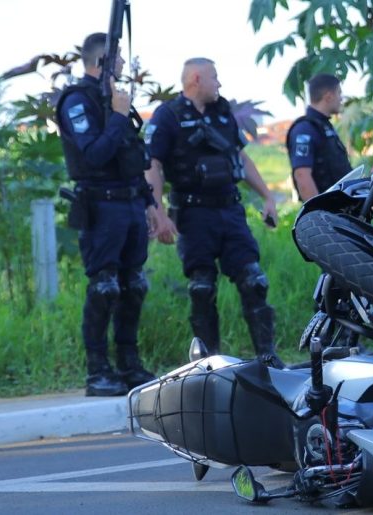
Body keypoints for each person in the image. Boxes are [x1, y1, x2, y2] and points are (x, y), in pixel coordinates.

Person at [144, 57, 285, 368]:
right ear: (196, 78)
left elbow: (240, 157)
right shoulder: (168, 116)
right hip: (193, 214)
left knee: (254, 280)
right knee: (202, 287)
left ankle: (267, 357)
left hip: (230, 210)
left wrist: (267, 197)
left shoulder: (223, 113)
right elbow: (153, 164)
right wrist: (158, 212)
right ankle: (209, 364)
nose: (219, 84)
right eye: (215, 78)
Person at [56, 32, 157, 396]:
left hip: (129, 202)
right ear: (101, 64)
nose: (123, 68)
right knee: (104, 287)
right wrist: (116, 115)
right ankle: (98, 370)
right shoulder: (78, 101)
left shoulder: (115, 101)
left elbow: (131, 157)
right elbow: (94, 154)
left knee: (134, 285)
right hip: (100, 205)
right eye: (118, 62)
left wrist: (150, 204)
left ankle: (129, 365)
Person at [285, 74, 352, 201]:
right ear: (328, 96)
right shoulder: (305, 129)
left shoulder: (324, 126)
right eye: (339, 93)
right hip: (328, 214)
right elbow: (302, 175)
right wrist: (319, 213)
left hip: (342, 208)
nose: (341, 99)